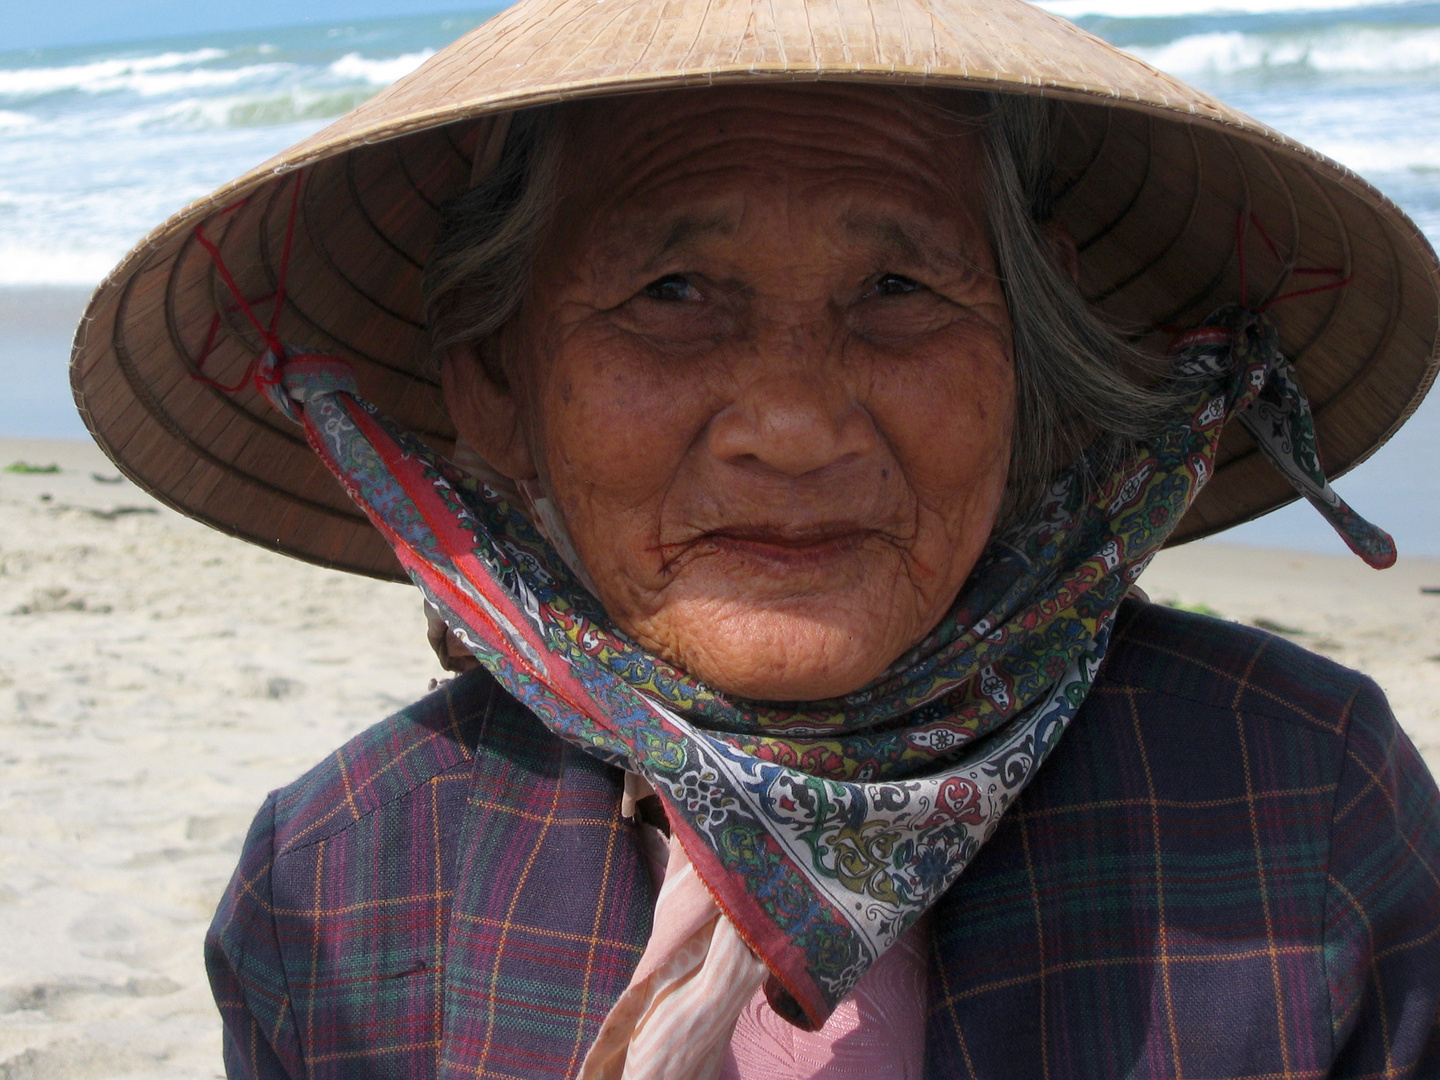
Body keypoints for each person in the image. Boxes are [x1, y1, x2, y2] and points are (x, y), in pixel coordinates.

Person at [69, 0, 1440, 1076]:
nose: (791, 423)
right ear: (495, 379)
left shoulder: (1299, 801)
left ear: (1021, 355)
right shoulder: (345, 882)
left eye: (899, 287)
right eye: (673, 292)